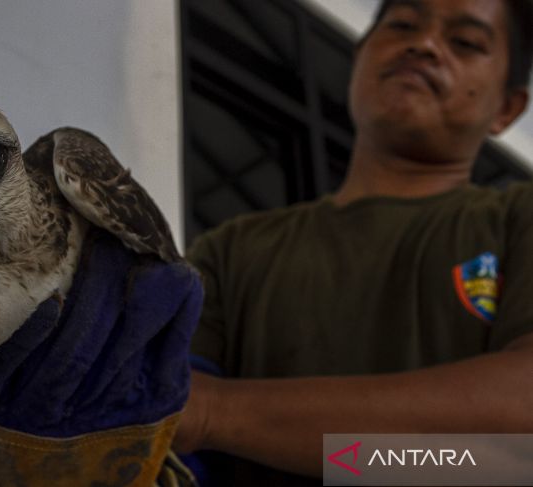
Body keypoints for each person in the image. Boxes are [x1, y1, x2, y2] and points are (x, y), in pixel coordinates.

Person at [174, 0, 533, 484]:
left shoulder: (518, 219)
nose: (423, 45)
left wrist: (217, 415)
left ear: (507, 108)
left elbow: (519, 437)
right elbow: (162, 423)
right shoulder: (229, 250)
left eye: (465, 42)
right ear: (360, 58)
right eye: (402, 25)